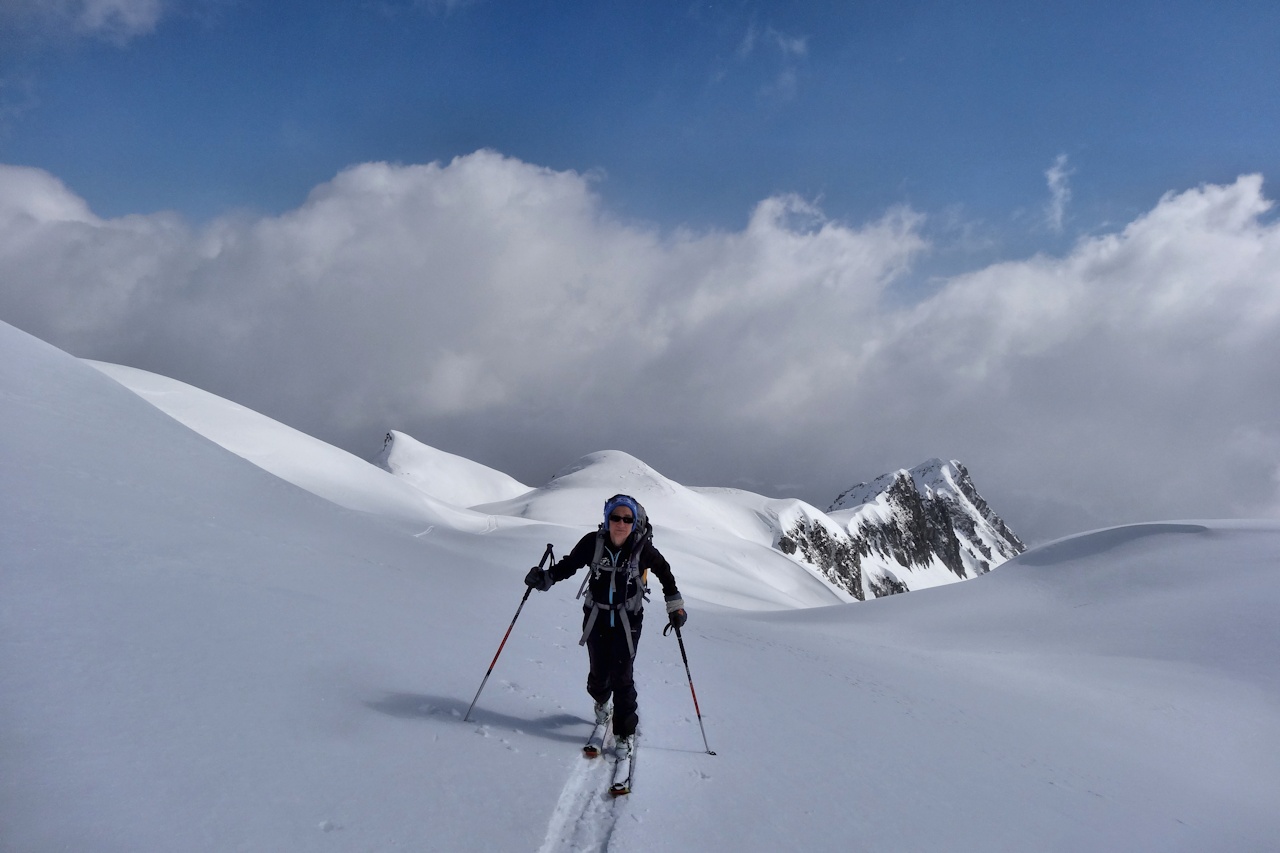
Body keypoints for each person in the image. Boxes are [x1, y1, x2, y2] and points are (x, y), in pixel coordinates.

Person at [524, 494, 686, 757]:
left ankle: (624, 733)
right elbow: (569, 565)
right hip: (596, 616)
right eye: (615, 517)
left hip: (628, 619)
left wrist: (675, 606)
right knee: (598, 676)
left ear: (634, 523)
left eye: (627, 519)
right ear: (606, 519)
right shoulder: (593, 543)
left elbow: (665, 574)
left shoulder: (641, 548)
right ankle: (602, 703)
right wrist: (546, 578)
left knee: (623, 677)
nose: (620, 523)